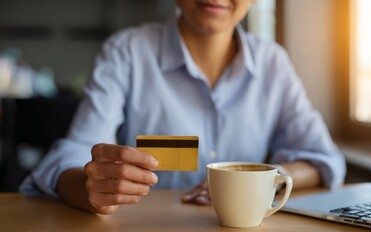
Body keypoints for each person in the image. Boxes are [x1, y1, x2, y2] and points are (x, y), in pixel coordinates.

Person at [20, 0, 346, 215]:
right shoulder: (126, 52)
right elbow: (69, 159)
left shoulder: (273, 62)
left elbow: (323, 159)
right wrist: (92, 188)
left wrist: (267, 179)